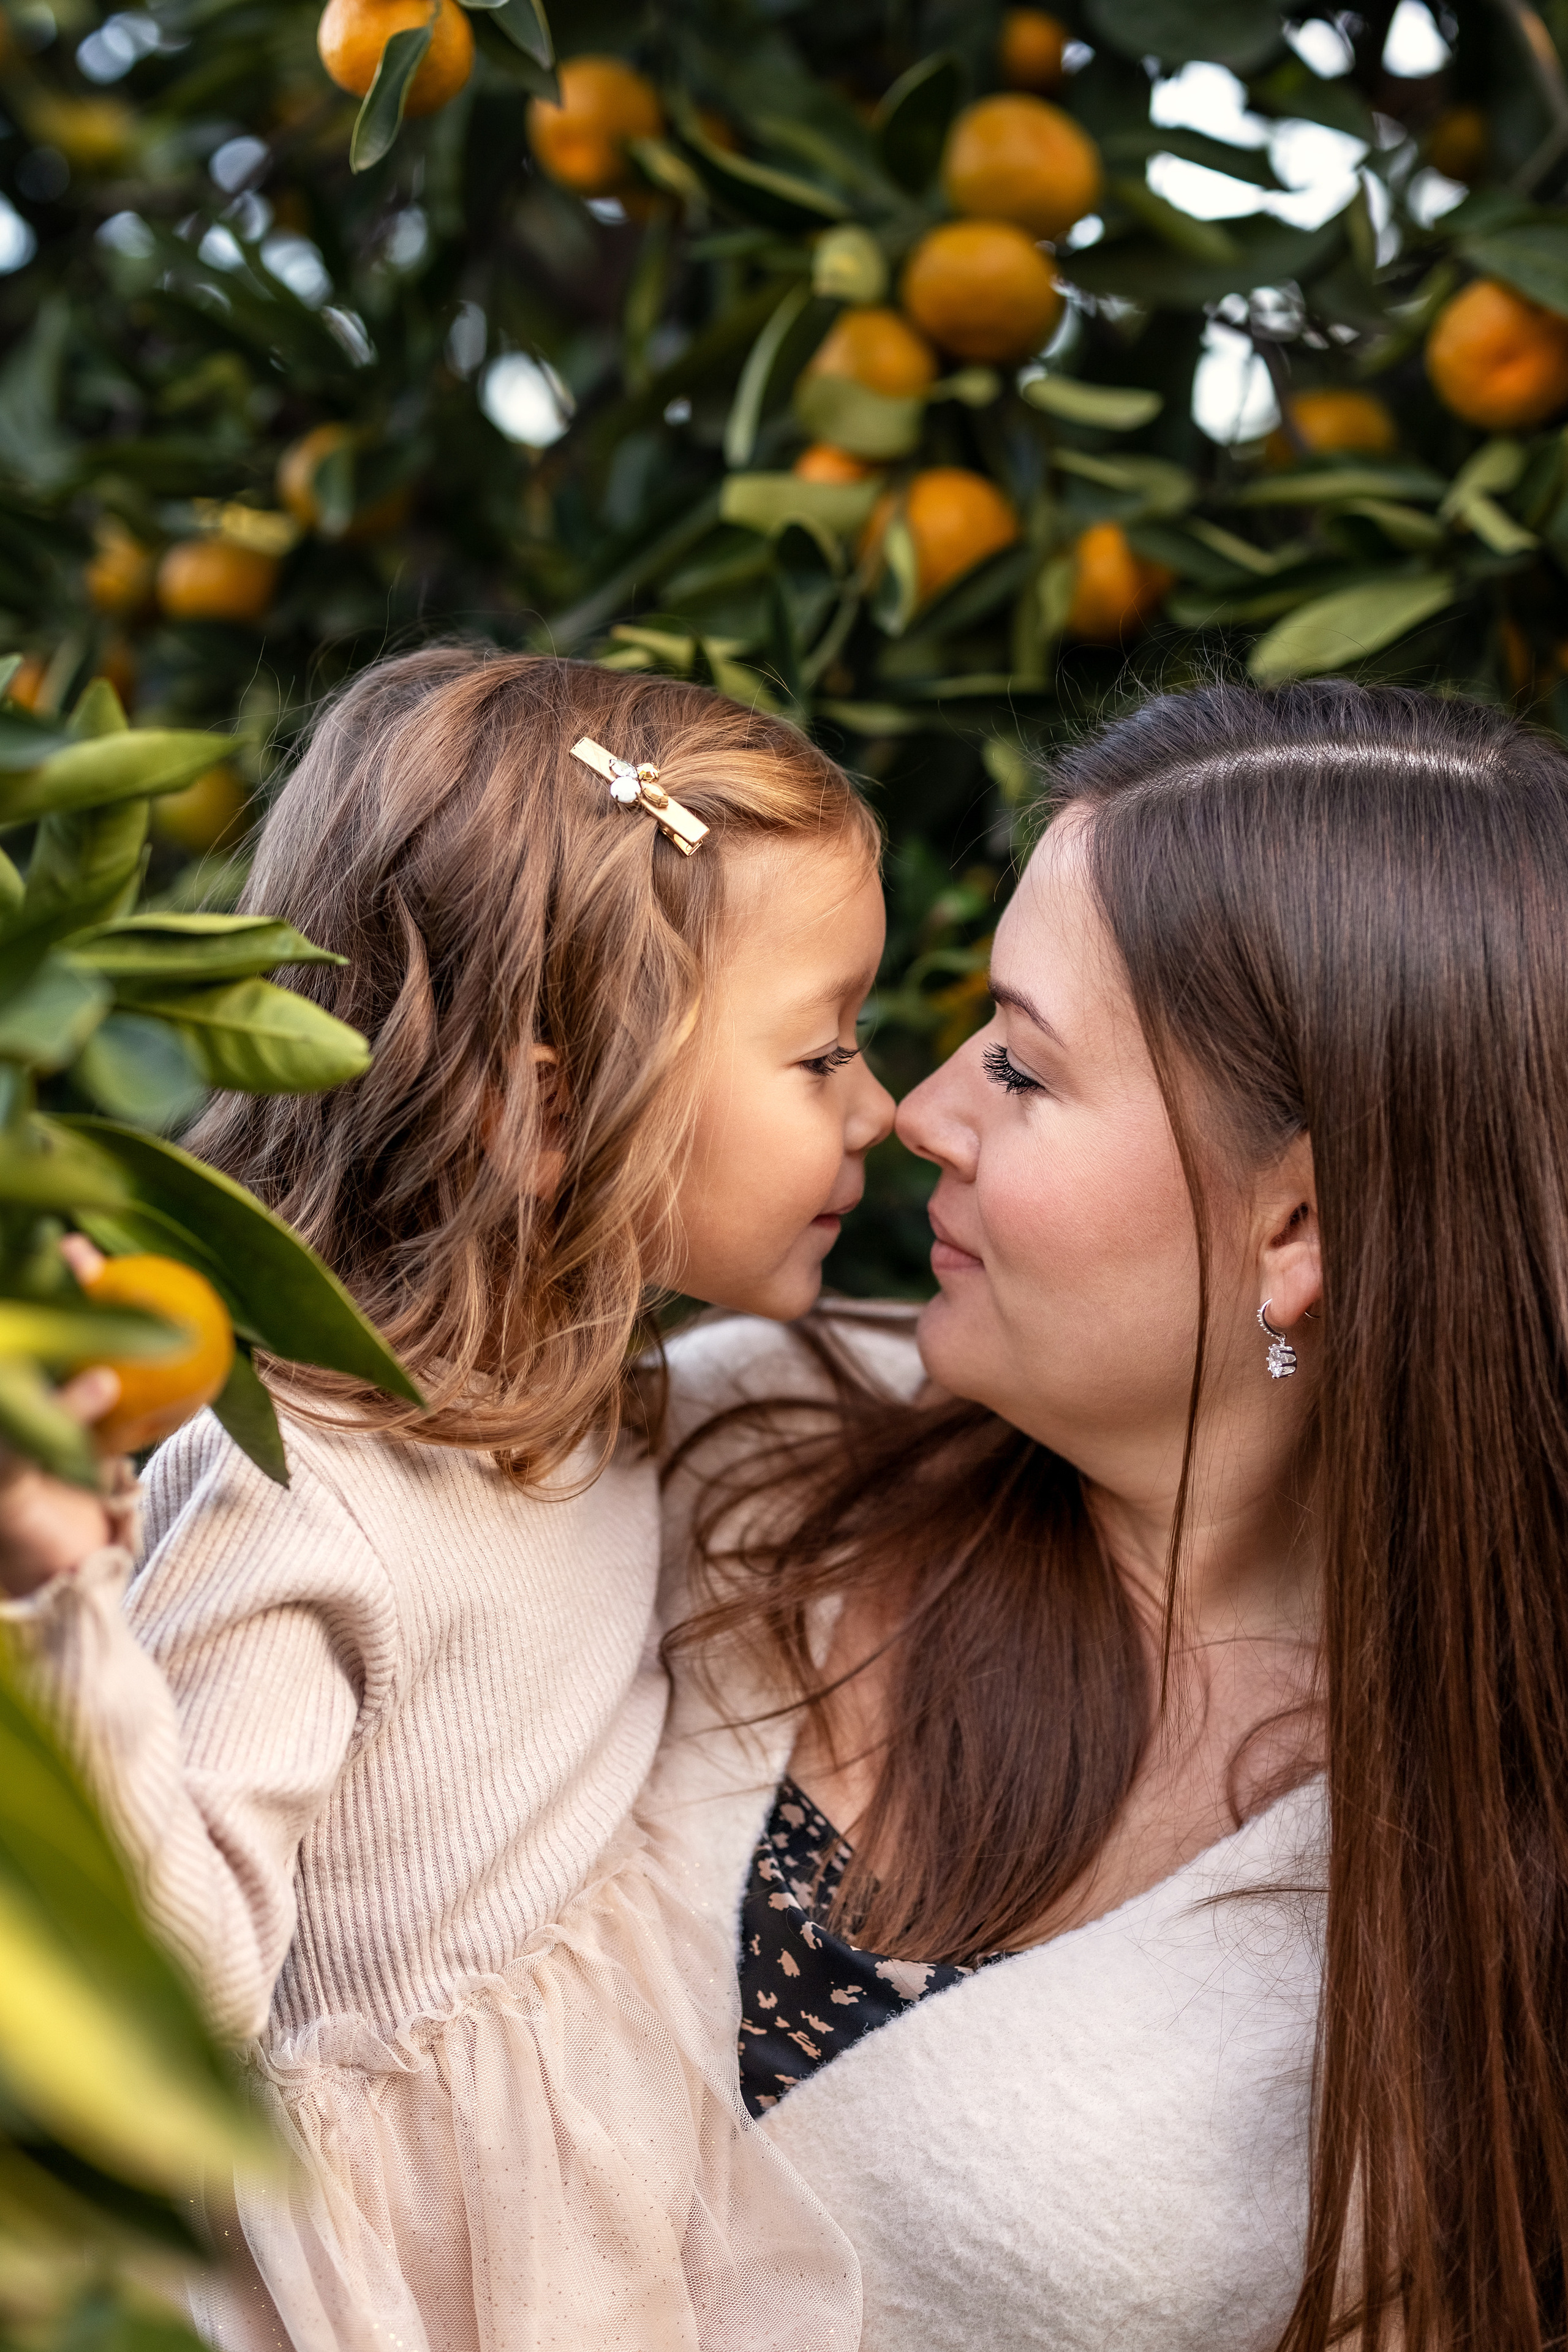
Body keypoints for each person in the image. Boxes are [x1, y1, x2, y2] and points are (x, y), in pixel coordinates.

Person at [651, 679, 1568, 2352]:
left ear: (1298, 1225)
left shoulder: (1463, 1904)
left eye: (1019, 1062)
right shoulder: (737, 1437)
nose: (920, 1109)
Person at [0, 648, 894, 2352]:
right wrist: (55, 1591)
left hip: (596, 2236)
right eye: (821, 1056)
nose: (882, 1111)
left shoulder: (606, 1412)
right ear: (554, 1114)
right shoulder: (307, 1497)